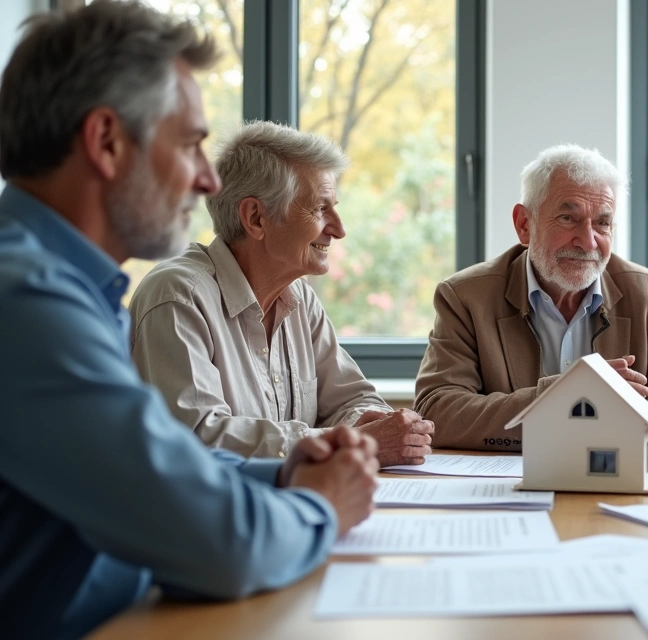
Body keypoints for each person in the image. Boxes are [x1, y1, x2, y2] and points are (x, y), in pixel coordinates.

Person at [0, 3, 379, 636]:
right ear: (106, 142)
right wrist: (320, 504)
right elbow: (225, 546)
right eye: (191, 143)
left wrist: (284, 470)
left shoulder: (69, 289)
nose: (208, 181)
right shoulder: (29, 304)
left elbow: (159, 465)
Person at [129, 121, 432, 467]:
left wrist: (380, 426)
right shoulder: (178, 297)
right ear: (256, 217)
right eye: (320, 208)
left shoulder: (298, 297)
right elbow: (197, 438)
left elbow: (352, 398)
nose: (339, 229)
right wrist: (349, 441)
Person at [415, 144, 648, 450]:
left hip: (613, 481)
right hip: (509, 485)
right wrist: (564, 394)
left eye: (602, 223)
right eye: (568, 219)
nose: (588, 241)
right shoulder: (465, 297)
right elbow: (437, 410)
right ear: (524, 225)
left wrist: (601, 413)